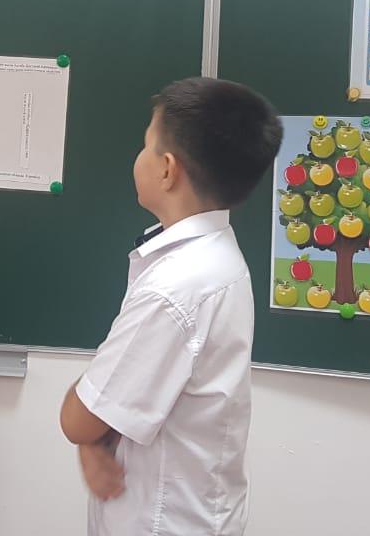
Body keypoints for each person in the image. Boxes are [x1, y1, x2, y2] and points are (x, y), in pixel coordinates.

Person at [59, 77, 282, 536]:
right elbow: (108, 406)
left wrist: (89, 430)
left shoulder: (175, 287)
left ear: (167, 170)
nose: (138, 156)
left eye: (146, 145)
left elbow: (79, 421)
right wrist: (94, 429)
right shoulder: (213, 256)